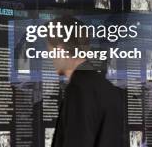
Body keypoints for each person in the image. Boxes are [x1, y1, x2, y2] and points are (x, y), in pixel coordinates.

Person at [47, 15, 124, 147]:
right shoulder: (109, 89)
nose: (50, 57)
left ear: (60, 50)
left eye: (50, 51)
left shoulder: (78, 89)